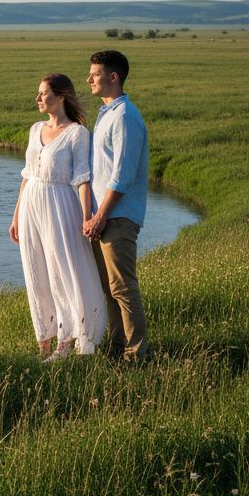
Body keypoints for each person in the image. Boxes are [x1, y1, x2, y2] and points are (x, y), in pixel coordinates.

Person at [10, 73, 106, 361]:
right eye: (38, 93)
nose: (38, 98)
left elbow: (82, 178)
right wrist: (16, 216)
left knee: (62, 271)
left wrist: (87, 216)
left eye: (44, 93)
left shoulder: (77, 133)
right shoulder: (35, 128)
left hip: (60, 205)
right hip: (31, 206)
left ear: (61, 96)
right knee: (36, 271)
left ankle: (67, 341)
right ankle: (44, 340)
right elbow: (27, 175)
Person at [84, 50, 150, 361]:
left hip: (117, 216)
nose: (89, 79)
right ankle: (115, 348)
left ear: (113, 77)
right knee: (107, 289)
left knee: (123, 288)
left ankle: (136, 355)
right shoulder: (107, 113)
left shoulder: (125, 117)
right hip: (105, 215)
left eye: (94, 74)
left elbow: (122, 176)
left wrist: (100, 215)